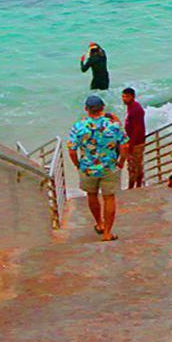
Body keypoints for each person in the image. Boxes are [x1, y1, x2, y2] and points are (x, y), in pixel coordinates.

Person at [67, 94, 128, 242]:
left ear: (86, 109)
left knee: (92, 195)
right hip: (109, 167)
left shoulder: (78, 127)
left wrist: (77, 164)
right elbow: (125, 145)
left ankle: (99, 224)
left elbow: (71, 149)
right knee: (109, 198)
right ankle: (107, 233)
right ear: (103, 108)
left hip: (88, 168)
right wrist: (121, 162)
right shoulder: (113, 125)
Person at [122, 87, 146, 189]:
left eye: (127, 97)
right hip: (135, 141)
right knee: (136, 165)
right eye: (123, 96)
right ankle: (137, 185)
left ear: (132, 97)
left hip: (136, 142)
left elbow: (138, 129)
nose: (124, 99)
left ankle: (132, 187)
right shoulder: (131, 107)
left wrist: (131, 144)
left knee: (133, 166)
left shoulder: (135, 109)